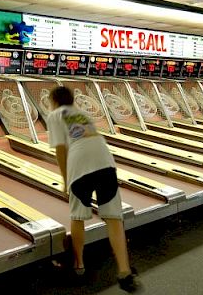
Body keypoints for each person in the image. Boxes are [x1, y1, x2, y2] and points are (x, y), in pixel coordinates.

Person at [46, 86, 141, 292]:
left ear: (54, 101)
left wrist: (65, 180)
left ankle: (79, 265)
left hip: (81, 166)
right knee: (114, 218)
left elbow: (61, 150)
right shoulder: (82, 113)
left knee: (78, 216)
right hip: (106, 162)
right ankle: (124, 271)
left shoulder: (54, 115)